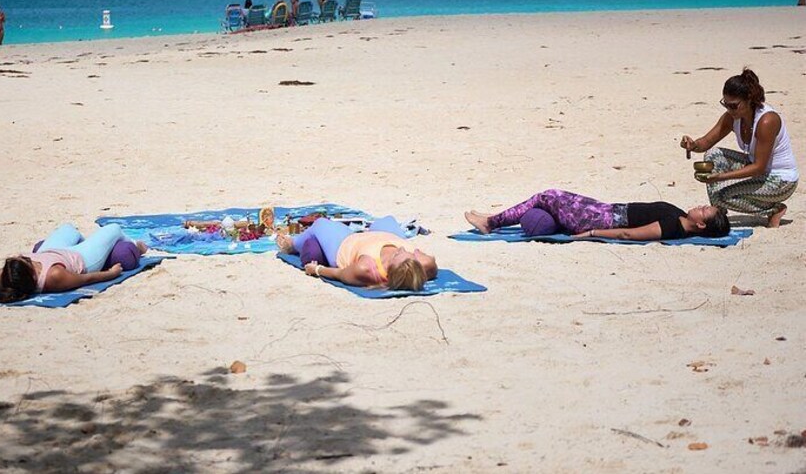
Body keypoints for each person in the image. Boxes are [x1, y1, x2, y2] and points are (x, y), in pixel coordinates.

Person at [680, 68, 798, 227]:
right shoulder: (732, 117)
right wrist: (692, 145)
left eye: (733, 105)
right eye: (725, 104)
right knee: (713, 154)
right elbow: (706, 142)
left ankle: (773, 210)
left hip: (781, 180)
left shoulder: (767, 121)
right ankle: (719, 213)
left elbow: (759, 167)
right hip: (757, 169)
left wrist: (721, 177)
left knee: (721, 194)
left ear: (749, 99)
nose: (729, 109)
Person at [465, 189, 730, 241]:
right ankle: (496, 218)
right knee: (549, 199)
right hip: (606, 209)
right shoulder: (680, 215)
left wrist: (591, 234)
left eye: (706, 210)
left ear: (700, 224)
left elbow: (629, 234)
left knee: (546, 196)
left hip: (598, 220)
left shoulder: (672, 226)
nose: (701, 205)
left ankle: (491, 222)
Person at [0, 223, 148, 304]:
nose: (25, 257)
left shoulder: (5, 277)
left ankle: (91, 242)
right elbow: (86, 279)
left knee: (68, 228)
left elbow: (1, 278)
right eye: (27, 261)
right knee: (113, 228)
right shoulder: (54, 276)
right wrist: (111, 274)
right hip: (81, 258)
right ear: (32, 273)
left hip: (51, 251)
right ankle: (138, 247)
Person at [277, 216, 437, 291]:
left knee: (320, 224)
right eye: (410, 255)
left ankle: (292, 244)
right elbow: (429, 262)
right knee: (388, 220)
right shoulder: (420, 265)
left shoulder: (366, 268)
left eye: (396, 255)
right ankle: (371, 228)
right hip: (387, 235)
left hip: (347, 243)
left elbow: (340, 274)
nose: (401, 250)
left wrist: (317, 270)